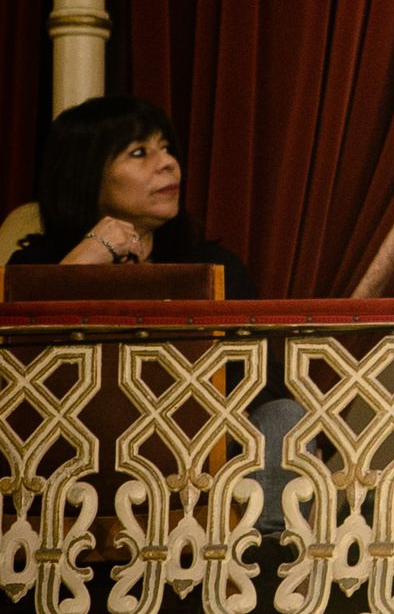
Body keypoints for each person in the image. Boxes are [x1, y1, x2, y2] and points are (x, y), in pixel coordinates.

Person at [9, 95, 299, 539]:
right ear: (87, 173)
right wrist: (91, 255)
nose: (168, 165)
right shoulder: (39, 265)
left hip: (197, 453)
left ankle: (265, 556)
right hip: (72, 455)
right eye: (140, 153)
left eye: (167, 148)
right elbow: (25, 378)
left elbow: (263, 382)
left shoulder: (215, 266)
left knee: (284, 413)